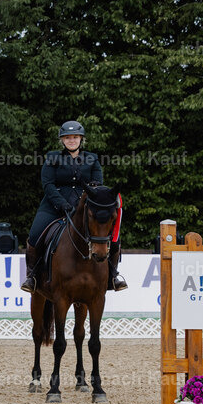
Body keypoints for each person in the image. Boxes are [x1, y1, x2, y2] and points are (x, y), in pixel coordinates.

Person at [21, 120, 126, 293]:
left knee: (112, 237)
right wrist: (62, 204)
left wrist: (86, 200)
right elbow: (48, 185)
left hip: (83, 208)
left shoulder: (92, 159)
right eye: (68, 138)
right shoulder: (52, 157)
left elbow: (97, 185)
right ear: (62, 140)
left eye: (75, 137)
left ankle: (113, 276)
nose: (72, 140)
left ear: (81, 139)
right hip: (53, 206)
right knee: (34, 235)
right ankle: (31, 276)